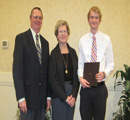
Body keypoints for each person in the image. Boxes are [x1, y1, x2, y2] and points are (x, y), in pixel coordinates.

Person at [13, 7, 51, 120]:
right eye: (35, 17)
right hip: (27, 100)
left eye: (40, 17)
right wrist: (21, 98)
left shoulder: (45, 43)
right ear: (30, 18)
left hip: (41, 100)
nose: (37, 20)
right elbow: (17, 71)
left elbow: (46, 74)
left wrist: (48, 96)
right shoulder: (21, 39)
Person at [78, 6, 114, 120]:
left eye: (96, 18)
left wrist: (104, 74)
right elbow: (80, 64)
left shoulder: (106, 39)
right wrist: (80, 78)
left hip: (100, 89)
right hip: (86, 88)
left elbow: (111, 63)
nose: (94, 20)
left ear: (100, 20)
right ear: (88, 20)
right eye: (92, 17)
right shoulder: (82, 40)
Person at [49, 20, 79, 120]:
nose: (63, 34)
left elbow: (77, 76)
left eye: (65, 31)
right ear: (56, 35)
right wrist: (65, 97)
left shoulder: (73, 53)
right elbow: (52, 79)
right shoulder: (53, 54)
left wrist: (73, 95)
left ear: (68, 33)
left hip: (72, 96)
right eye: (60, 32)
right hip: (58, 96)